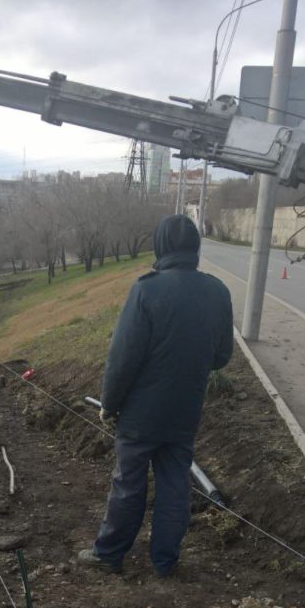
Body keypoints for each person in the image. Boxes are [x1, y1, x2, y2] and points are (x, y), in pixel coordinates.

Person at [78, 213, 234, 577]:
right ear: (195, 247)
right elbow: (222, 355)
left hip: (140, 416)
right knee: (175, 486)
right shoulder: (217, 291)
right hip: (184, 411)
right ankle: (166, 561)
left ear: (161, 246)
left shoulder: (146, 289)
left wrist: (110, 404)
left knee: (129, 485)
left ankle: (109, 554)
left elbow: (123, 358)